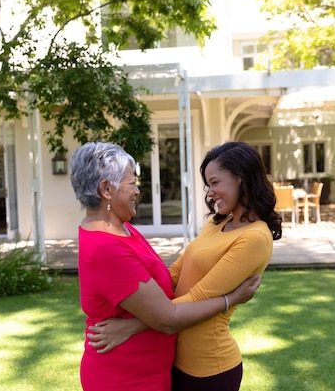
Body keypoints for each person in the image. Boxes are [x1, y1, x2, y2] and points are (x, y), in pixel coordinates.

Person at [90, 141, 282, 391]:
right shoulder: (218, 223)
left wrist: (132, 326)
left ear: (241, 179)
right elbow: (173, 276)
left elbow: (200, 297)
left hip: (210, 369)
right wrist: (141, 301)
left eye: (215, 182)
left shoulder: (255, 237)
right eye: (208, 185)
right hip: (174, 361)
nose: (210, 193)